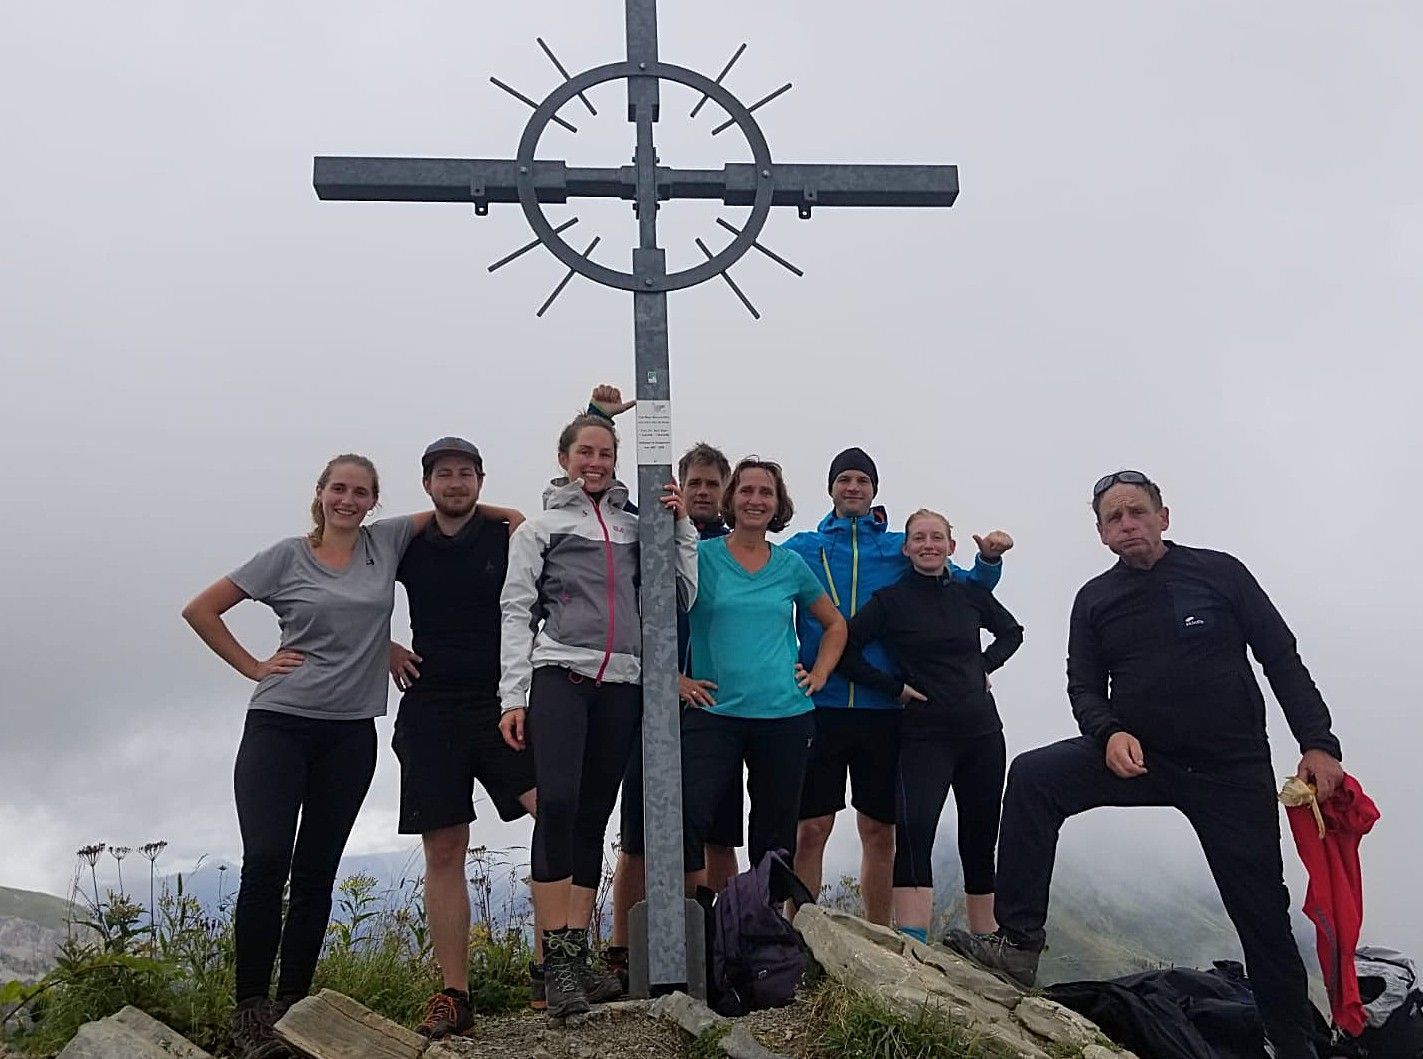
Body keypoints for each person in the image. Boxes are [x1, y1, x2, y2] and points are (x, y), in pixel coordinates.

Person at [947, 470, 1344, 1059]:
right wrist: (1107, 733)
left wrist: (1319, 741)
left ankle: (1291, 1043)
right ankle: (1019, 943)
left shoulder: (1220, 573)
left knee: (1261, 908)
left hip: (1229, 770)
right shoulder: (1095, 599)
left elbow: (1279, 656)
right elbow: (1084, 684)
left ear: (1164, 516)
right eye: (1114, 518)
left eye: (1137, 512)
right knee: (1034, 776)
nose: (1127, 525)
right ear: (1102, 534)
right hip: (1142, 757)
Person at [182, 455, 433, 1059]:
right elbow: (200, 609)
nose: (348, 499)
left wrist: (386, 644)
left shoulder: (386, 542)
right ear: (319, 494)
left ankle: (292, 1012)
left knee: (317, 872)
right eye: (338, 489)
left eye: (361, 492)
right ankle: (250, 1012)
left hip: (350, 735)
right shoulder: (285, 556)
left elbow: (466, 508)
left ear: (375, 501)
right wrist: (255, 667)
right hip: (279, 725)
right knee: (267, 863)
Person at [497, 411, 697, 1019]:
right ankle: (557, 963)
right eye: (585, 451)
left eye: (605, 453)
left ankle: (572, 967)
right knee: (555, 804)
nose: (596, 462)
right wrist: (513, 695)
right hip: (560, 674)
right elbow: (515, 609)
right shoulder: (540, 528)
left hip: (623, 684)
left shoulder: (640, 527)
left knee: (591, 817)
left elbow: (682, 593)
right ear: (565, 459)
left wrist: (682, 527)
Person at [785, 447, 1014, 925]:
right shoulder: (805, 547)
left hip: (886, 709)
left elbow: (963, 587)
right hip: (819, 702)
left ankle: (877, 937)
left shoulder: (896, 547)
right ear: (830, 488)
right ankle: (797, 935)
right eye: (844, 479)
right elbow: (761, 589)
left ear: (874, 490)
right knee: (811, 828)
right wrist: (784, 663)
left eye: (862, 481)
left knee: (878, 830)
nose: (853, 487)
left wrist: (988, 562)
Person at [385, 437, 535, 1038]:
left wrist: (503, 513)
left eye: (465, 474)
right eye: (443, 474)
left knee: (555, 812)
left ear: (480, 479)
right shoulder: (407, 545)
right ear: (426, 484)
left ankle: (557, 969)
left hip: (503, 704)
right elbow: (351, 594)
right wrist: (384, 646)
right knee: (443, 850)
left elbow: (525, 527)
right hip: (430, 709)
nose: (455, 483)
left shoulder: (507, 537)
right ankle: (454, 993)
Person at [836, 509, 1023, 944]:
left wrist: (983, 666)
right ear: (906, 548)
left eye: (937, 538)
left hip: (982, 734)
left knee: (980, 837)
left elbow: (1012, 632)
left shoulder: (969, 594)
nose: (928, 545)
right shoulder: (890, 600)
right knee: (916, 830)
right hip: (924, 737)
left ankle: (987, 944)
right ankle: (915, 946)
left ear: (952, 547)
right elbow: (846, 651)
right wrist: (894, 688)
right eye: (919, 538)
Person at [607, 436, 746, 982]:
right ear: (678, 489)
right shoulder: (649, 536)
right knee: (638, 833)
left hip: (718, 710)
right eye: (696, 484)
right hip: (650, 704)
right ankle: (621, 953)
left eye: (714, 484)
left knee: (719, 835)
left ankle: (728, 948)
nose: (705, 493)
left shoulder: (740, 548)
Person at [681, 457, 847, 888]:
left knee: (774, 842)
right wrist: (672, 678)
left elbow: (835, 624)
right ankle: (701, 932)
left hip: (784, 716)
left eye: (766, 493)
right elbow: (649, 617)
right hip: (713, 712)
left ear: (778, 504)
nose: (756, 500)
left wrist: (820, 675)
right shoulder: (699, 557)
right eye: (747, 491)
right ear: (730, 499)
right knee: (689, 822)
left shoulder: (790, 564)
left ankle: (762, 935)